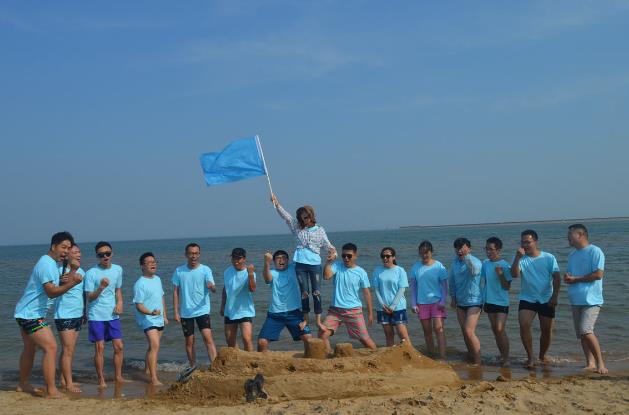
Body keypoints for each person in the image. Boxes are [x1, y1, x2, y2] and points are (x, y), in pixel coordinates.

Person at [14, 231, 83, 398]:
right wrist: (73, 282)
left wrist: (71, 273)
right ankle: (51, 389)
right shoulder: (46, 264)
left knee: (30, 349)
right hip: (30, 314)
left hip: (26, 312)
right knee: (51, 347)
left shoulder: (52, 264)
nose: (66, 251)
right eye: (63, 247)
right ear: (53, 246)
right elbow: (52, 292)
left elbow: (58, 284)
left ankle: (22, 384)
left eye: (68, 248)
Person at [271, 193, 336, 326]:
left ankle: (318, 321)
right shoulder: (297, 227)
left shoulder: (320, 230)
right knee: (304, 292)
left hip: (315, 264)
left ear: (312, 216)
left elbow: (328, 246)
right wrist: (277, 204)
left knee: (316, 292)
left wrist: (333, 253)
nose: (304, 220)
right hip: (300, 264)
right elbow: (286, 217)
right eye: (301, 218)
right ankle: (305, 319)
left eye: (306, 217)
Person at [510, 229, 560, 368]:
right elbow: (514, 275)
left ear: (535, 242)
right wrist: (517, 258)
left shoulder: (549, 257)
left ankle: (542, 356)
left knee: (546, 330)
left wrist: (555, 296)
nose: (525, 245)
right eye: (522, 242)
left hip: (546, 298)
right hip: (527, 298)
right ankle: (530, 357)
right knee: (524, 324)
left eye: (528, 242)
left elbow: (556, 277)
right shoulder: (521, 259)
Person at [564, 224, 607, 374]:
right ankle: (590, 363)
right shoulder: (572, 255)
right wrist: (568, 278)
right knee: (582, 334)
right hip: (576, 299)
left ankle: (601, 363)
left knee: (586, 329)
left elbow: (598, 274)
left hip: (592, 299)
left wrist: (575, 279)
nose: (568, 237)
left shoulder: (595, 251)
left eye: (570, 234)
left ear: (580, 235)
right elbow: (571, 275)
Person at [318, 243, 376, 353]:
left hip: (353, 310)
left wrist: (370, 313)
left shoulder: (361, 272)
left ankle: (376, 355)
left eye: (349, 256)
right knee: (322, 334)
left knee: (364, 338)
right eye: (344, 255)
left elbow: (367, 293)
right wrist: (329, 262)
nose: (346, 258)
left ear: (355, 256)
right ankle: (329, 357)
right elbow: (326, 276)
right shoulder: (337, 266)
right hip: (335, 310)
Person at [84, 241, 125, 388]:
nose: (105, 256)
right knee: (100, 348)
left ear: (112, 254)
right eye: (101, 255)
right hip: (97, 315)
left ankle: (118, 376)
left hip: (113, 315)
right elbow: (89, 297)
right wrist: (101, 287)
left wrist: (120, 303)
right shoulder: (91, 273)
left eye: (107, 253)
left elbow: (118, 290)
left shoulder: (118, 270)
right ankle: (101, 379)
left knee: (119, 346)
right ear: (97, 256)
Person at [172, 243, 217, 370]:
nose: (194, 256)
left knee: (208, 338)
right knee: (189, 342)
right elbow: (175, 292)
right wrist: (176, 312)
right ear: (186, 254)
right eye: (191, 253)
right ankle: (193, 367)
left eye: (196, 253)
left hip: (202, 310)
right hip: (186, 313)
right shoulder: (179, 271)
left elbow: (214, 288)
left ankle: (215, 367)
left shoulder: (205, 270)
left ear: (199, 254)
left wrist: (211, 287)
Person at [258, 250, 312, 352]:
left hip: (294, 313)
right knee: (262, 342)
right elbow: (267, 278)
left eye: (283, 258)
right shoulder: (272, 273)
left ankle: (309, 359)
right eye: (278, 258)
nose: (281, 260)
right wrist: (266, 262)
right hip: (275, 315)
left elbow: (305, 259)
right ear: (274, 262)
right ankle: (262, 363)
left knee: (308, 338)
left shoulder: (294, 268)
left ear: (288, 260)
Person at [53, 243, 86, 393]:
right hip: (64, 315)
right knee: (67, 350)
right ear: (68, 255)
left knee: (70, 350)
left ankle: (63, 379)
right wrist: (72, 270)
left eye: (79, 252)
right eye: (75, 252)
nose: (78, 254)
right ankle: (69, 384)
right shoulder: (61, 271)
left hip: (78, 314)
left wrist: (85, 312)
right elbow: (62, 286)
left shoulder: (82, 272)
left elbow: (82, 294)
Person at [133, 252, 168, 386]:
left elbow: (162, 297)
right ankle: (154, 379)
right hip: (147, 319)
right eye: (149, 262)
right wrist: (150, 313)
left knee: (153, 347)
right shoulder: (140, 284)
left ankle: (147, 369)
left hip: (158, 318)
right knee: (155, 345)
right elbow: (138, 305)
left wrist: (164, 315)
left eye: (154, 262)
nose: (153, 264)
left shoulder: (157, 279)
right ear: (142, 266)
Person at [410, 240, 448, 359]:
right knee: (427, 332)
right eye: (422, 253)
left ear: (432, 252)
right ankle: (431, 357)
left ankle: (443, 357)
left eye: (427, 252)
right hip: (422, 304)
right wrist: (413, 303)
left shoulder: (439, 266)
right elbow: (413, 288)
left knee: (438, 329)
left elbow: (445, 286)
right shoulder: (416, 267)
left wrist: (442, 301)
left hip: (437, 303)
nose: (424, 255)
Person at [449, 237, 483, 365]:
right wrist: (453, 297)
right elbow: (451, 281)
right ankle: (471, 356)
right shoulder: (455, 263)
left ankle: (478, 361)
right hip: (460, 301)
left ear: (469, 248)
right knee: (464, 332)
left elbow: (474, 272)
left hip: (474, 301)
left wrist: (467, 256)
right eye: (457, 248)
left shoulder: (475, 261)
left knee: (469, 331)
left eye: (462, 247)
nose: (459, 250)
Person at [480, 237, 512, 367]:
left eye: (491, 249)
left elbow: (507, 286)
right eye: (486, 249)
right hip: (488, 300)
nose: (488, 252)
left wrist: (500, 274)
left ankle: (506, 359)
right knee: (495, 330)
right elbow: (485, 281)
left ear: (498, 250)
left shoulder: (505, 265)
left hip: (502, 302)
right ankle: (502, 355)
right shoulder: (485, 263)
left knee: (499, 329)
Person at [372, 247, 410, 346]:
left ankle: (412, 357)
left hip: (398, 307)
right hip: (382, 308)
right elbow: (376, 289)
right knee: (389, 335)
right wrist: (383, 305)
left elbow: (402, 289)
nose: (385, 258)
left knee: (403, 336)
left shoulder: (400, 270)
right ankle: (390, 359)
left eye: (387, 256)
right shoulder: (377, 271)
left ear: (393, 257)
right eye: (383, 256)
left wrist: (393, 306)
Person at [220, 248, 256, 352]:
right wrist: (222, 305)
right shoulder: (227, 271)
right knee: (230, 340)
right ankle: (237, 360)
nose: (236, 261)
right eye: (234, 258)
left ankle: (249, 361)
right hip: (230, 310)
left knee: (247, 338)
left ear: (244, 259)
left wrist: (250, 275)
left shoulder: (250, 272)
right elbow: (225, 288)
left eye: (238, 258)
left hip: (245, 310)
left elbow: (252, 289)